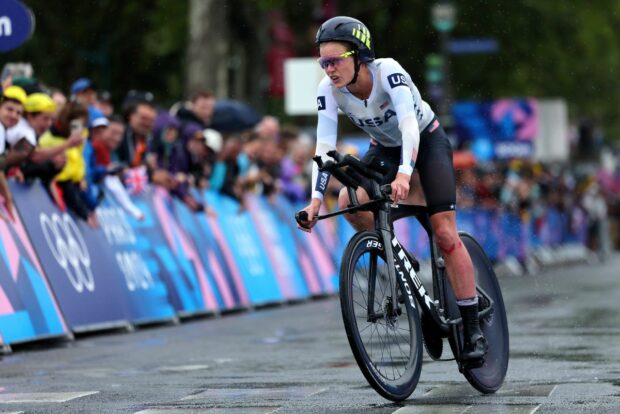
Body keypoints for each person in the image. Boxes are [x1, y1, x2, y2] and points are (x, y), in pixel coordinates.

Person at [298, 16, 487, 364]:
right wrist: (313, 202)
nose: (329, 69)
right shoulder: (328, 91)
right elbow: (323, 148)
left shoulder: (388, 72)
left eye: (336, 60)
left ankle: (473, 326)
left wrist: (404, 174)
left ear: (359, 56)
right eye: (323, 62)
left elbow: (409, 126)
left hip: (426, 142)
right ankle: (399, 254)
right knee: (349, 200)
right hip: (384, 148)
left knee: (445, 234)